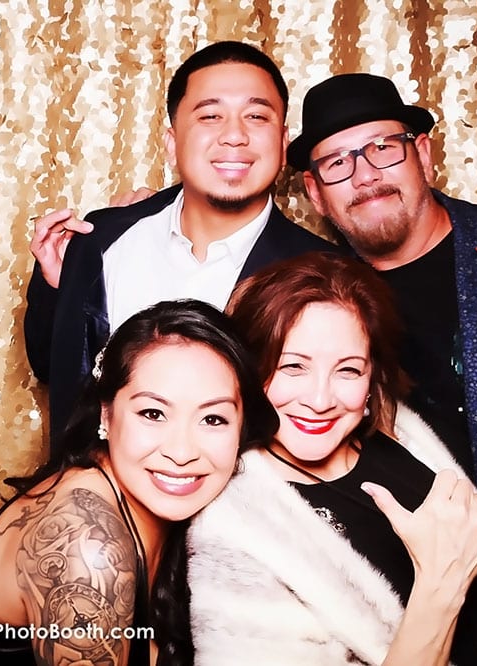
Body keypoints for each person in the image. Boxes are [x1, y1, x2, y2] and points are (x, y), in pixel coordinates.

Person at [187, 252, 477, 665]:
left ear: (371, 378)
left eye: (347, 370)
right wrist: (442, 582)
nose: (320, 400)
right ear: (249, 369)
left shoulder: (402, 437)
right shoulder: (233, 529)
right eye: (293, 366)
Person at [23, 40, 334, 446]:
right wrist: (56, 290)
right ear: (171, 143)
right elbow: (55, 370)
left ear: (282, 140)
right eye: (210, 116)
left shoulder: (323, 272)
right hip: (99, 499)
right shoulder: (102, 238)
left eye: (257, 116)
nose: (235, 136)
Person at [285, 72, 477, 578]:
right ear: (315, 192)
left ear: (423, 154)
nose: (365, 175)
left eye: (382, 147)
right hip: (411, 592)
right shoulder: (313, 295)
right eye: (336, 163)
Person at [0, 298, 279, 666]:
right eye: (153, 413)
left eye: (213, 419)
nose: (182, 451)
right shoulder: (88, 549)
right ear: (106, 413)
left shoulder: (176, 507)